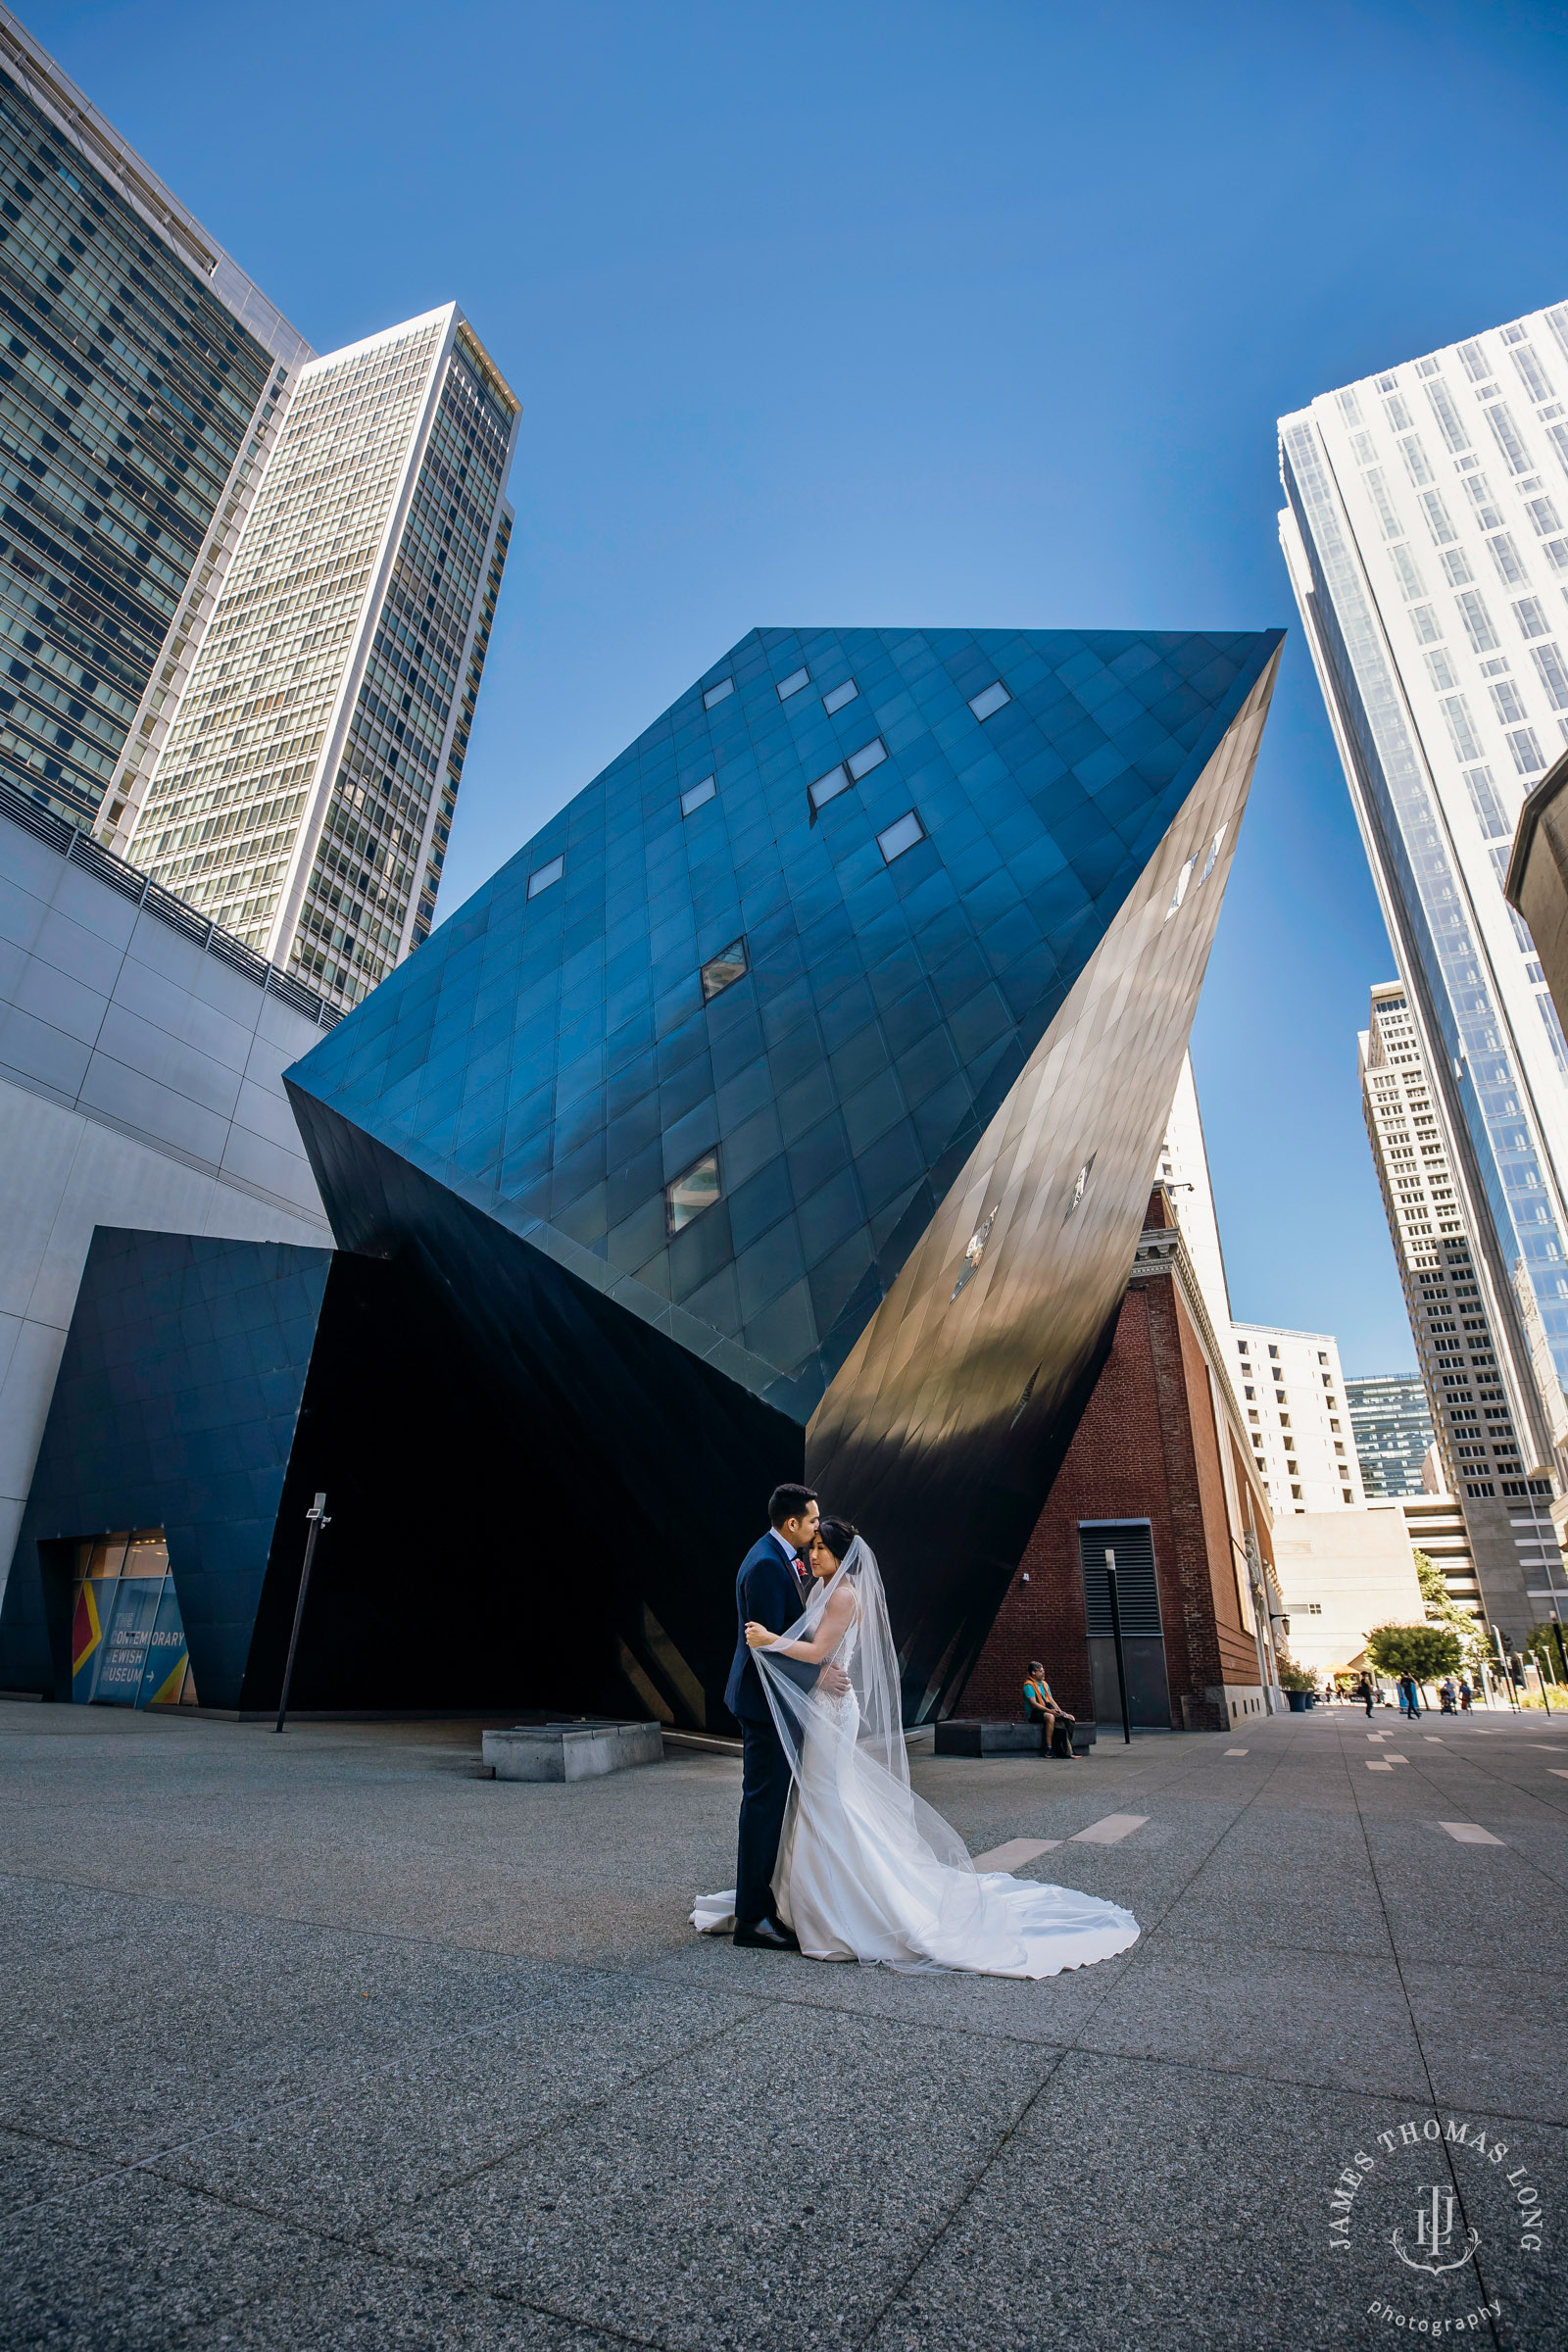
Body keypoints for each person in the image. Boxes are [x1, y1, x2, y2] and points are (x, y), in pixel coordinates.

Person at [694, 1520, 1139, 1978]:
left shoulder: (845, 1595)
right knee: (814, 1799)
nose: (813, 1554)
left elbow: (817, 1652)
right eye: (813, 1546)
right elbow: (813, 1650)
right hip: (820, 1707)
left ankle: (847, 1906)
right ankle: (802, 1900)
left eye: (822, 1548)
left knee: (826, 1798)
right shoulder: (818, 1590)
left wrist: (769, 1640)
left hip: (833, 1713)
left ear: (843, 1556)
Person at [718, 1483, 851, 1953]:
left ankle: (761, 1901)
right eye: (813, 1521)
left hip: (778, 1704)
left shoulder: (777, 1557)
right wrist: (819, 1676)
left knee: (771, 1804)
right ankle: (752, 1919)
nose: (818, 1527)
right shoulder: (766, 1567)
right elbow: (767, 1651)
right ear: (792, 1523)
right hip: (765, 1706)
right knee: (763, 1805)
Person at [1023, 1661, 1079, 1758]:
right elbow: (1034, 1704)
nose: (1043, 1672)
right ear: (1033, 1673)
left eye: (1043, 1670)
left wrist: (1060, 1711)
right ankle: (1049, 1749)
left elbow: (1051, 1700)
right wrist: (1050, 1711)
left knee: (1070, 1718)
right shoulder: (1029, 1685)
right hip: (1034, 1713)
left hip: (1047, 1710)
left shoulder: (1045, 1684)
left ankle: (1067, 1748)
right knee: (1050, 1717)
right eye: (1040, 1671)